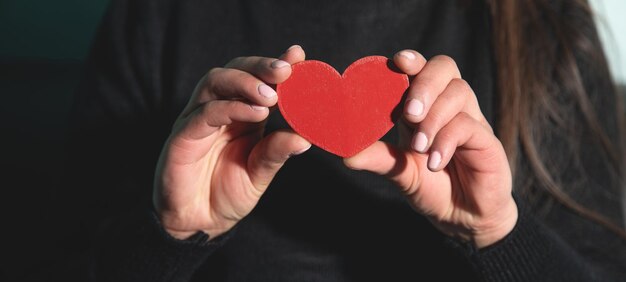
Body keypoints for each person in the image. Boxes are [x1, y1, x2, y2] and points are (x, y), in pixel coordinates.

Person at [51, 0, 625, 281]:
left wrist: (500, 235)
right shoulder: (161, 14)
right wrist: (169, 237)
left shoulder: (539, 26)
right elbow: (61, 257)